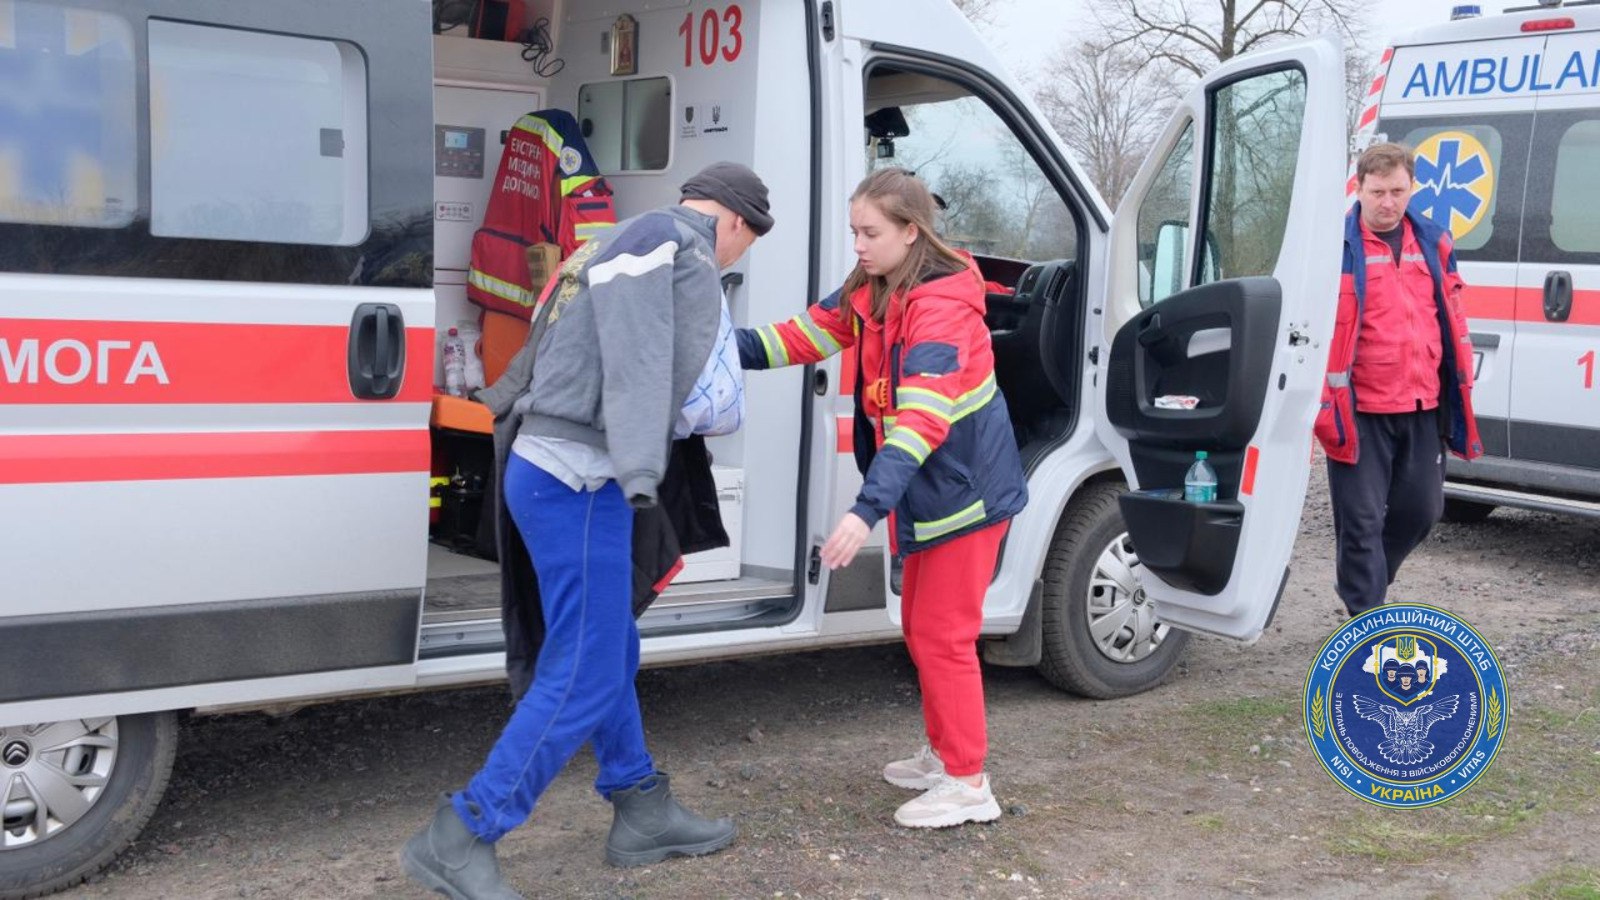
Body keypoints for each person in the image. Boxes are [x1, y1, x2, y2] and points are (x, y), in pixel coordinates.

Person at [401, 161, 774, 899]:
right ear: (734, 221)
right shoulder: (682, 248)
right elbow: (643, 360)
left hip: (552, 468)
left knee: (608, 645)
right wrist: (641, 466)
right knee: (586, 665)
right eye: (746, 245)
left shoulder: (620, 241)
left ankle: (640, 805)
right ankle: (466, 829)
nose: (736, 258)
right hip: (580, 478)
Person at [737, 167, 1027, 829]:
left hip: (965, 493)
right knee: (924, 629)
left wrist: (864, 509)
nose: (859, 245)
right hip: (932, 489)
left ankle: (968, 784)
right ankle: (945, 753)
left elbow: (923, 421)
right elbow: (803, 337)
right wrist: (723, 349)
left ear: (910, 232)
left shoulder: (939, 309)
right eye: (854, 232)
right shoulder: (874, 289)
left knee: (944, 635)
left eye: (870, 233)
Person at [1316, 142, 1482, 618]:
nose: (1388, 202)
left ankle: (1364, 578)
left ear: (1412, 188)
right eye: (1377, 191)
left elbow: (1449, 318)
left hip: (1422, 404)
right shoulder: (1335, 246)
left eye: (1398, 191)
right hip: (1359, 409)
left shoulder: (1434, 241)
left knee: (1422, 512)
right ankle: (1365, 619)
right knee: (1361, 521)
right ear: (1359, 189)